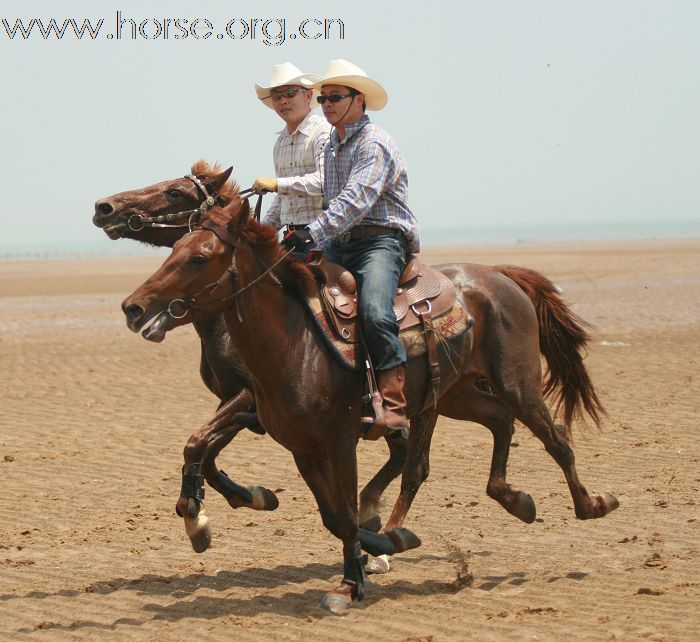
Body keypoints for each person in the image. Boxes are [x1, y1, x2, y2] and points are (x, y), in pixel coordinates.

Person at [283, 59, 420, 439]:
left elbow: (355, 200)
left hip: (381, 241)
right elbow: (331, 202)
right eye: (323, 98)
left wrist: (312, 233)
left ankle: (393, 403)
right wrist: (304, 242)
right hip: (340, 242)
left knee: (375, 311)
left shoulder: (375, 144)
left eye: (335, 97)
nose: (326, 104)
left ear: (359, 101)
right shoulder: (329, 146)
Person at [252, 63, 331, 257]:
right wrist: (259, 232)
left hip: (322, 237)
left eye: (290, 93)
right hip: (292, 238)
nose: (283, 101)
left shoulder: (323, 132)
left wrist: (277, 184)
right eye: (277, 96)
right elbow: (283, 199)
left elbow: (325, 182)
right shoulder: (280, 143)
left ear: (308, 95)